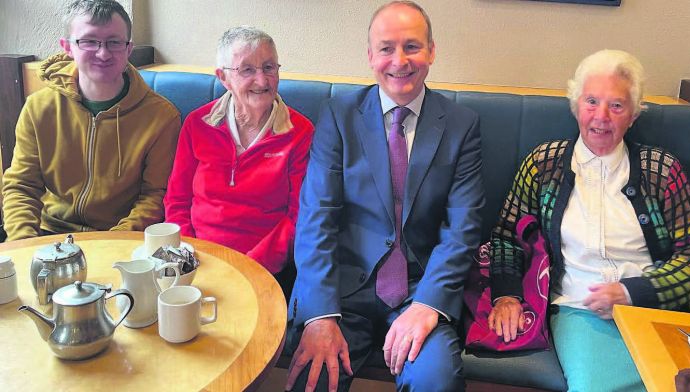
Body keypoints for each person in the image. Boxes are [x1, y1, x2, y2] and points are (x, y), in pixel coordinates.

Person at [285, 2, 484, 391]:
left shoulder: (462, 126)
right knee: (312, 382)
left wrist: (428, 303)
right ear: (370, 55)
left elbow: (463, 228)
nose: (400, 61)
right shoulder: (338, 116)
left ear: (431, 51)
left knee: (436, 382)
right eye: (386, 48)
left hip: (419, 290)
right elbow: (316, 218)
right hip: (341, 291)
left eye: (412, 46)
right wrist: (321, 314)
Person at [488, 49, 690, 391]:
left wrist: (635, 292)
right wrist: (507, 295)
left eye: (616, 106)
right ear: (576, 107)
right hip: (579, 310)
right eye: (591, 102)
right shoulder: (544, 164)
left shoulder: (661, 169)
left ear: (632, 115)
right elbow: (506, 237)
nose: (601, 116)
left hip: (658, 312)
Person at [2, 0, 180, 241]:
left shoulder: (161, 116)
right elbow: (22, 185)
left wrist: (109, 243)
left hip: (118, 239)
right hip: (48, 234)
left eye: (114, 42)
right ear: (67, 47)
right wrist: (25, 244)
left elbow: (154, 196)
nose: (103, 53)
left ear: (128, 49)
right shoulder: (39, 107)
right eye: (89, 41)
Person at [164, 26, 313, 277]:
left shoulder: (299, 132)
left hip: (263, 268)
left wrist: (250, 267)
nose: (262, 81)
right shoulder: (197, 124)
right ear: (223, 78)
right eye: (247, 70)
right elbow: (177, 200)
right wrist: (189, 256)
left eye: (269, 67)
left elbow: (298, 215)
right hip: (197, 259)